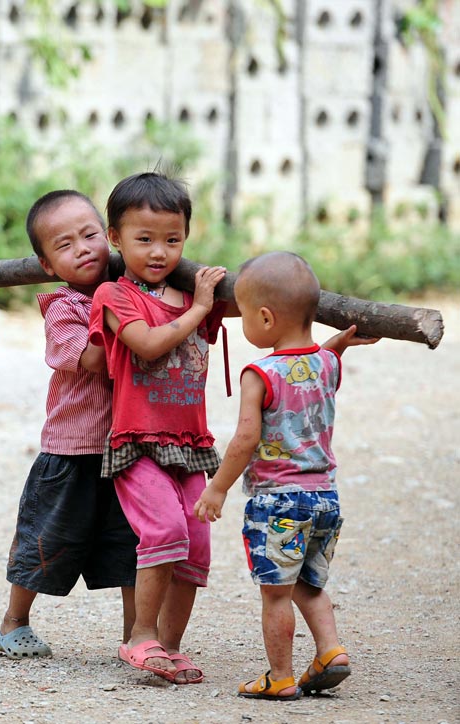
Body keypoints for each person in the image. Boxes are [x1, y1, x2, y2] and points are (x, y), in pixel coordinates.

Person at [194, 251, 377, 700]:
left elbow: (245, 440)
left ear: (265, 317)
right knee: (309, 585)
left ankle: (279, 677)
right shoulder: (328, 365)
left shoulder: (260, 374)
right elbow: (314, 366)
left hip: (278, 502)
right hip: (325, 500)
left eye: (243, 316)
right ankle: (330, 651)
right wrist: (333, 346)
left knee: (276, 594)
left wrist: (217, 488)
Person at [88, 171, 233, 684]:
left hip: (192, 445)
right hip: (139, 443)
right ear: (115, 238)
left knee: (196, 540)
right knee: (165, 529)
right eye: (143, 239)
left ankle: (169, 646)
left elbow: (266, 308)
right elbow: (146, 345)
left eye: (172, 240)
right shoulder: (114, 294)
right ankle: (140, 636)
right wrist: (198, 306)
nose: (158, 251)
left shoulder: (193, 295)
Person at [0, 190, 137, 659]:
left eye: (91, 235)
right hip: (72, 448)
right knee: (46, 538)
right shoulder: (63, 306)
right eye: (65, 244)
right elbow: (93, 359)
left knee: (132, 544)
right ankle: (14, 621)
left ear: (111, 237)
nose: (83, 248)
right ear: (48, 264)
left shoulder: (134, 284)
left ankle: (138, 634)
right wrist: (118, 316)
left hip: (130, 444)